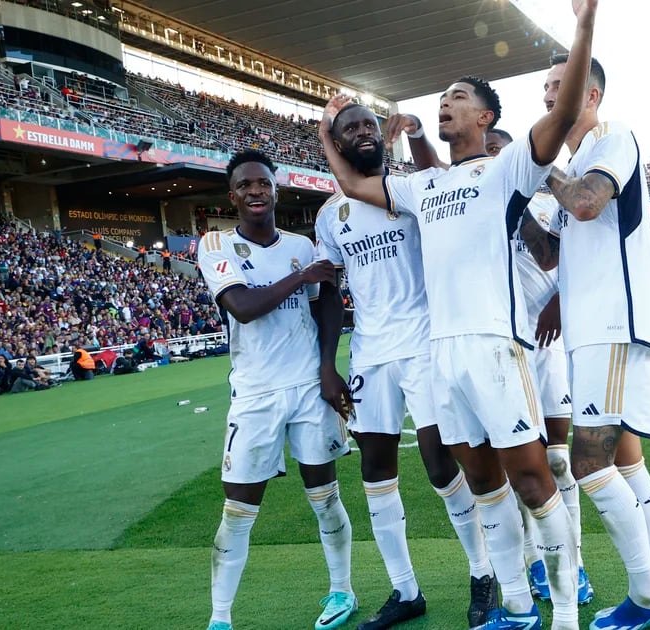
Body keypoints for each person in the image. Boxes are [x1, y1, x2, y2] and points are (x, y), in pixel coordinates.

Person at [318, 4, 597, 626]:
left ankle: (563, 613)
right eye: (442, 97)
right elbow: (355, 188)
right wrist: (323, 134)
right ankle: (517, 608)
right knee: (485, 488)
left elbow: (564, 111)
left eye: (458, 96)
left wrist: (583, 26)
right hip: (440, 354)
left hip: (495, 344)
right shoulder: (423, 187)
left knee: (531, 478)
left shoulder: (507, 168)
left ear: (486, 116)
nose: (445, 103)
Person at [314, 104, 497, 630]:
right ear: (339, 143)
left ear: (381, 135)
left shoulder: (415, 191)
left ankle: (482, 572)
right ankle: (405, 589)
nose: (362, 133)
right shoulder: (331, 216)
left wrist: (416, 133)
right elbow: (330, 291)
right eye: (350, 129)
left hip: (424, 344)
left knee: (443, 467)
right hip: (371, 352)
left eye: (369, 125)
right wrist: (329, 366)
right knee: (376, 469)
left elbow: (440, 177)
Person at [527, 53, 650, 628]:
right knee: (625, 464)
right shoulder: (580, 157)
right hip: (597, 332)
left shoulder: (614, 138)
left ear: (589, 96)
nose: (547, 98)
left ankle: (647, 597)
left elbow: (587, 204)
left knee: (589, 464)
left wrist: (540, 169)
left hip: (613, 327)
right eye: (543, 89)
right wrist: (517, 204)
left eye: (557, 88)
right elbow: (553, 254)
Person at [197, 150, 354, 630]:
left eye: (263, 183)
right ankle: (220, 618)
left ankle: (341, 591)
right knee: (239, 507)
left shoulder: (303, 246)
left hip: (308, 385)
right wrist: (301, 277)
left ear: (276, 190)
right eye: (245, 185)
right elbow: (242, 306)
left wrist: (328, 368)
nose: (256, 191)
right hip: (256, 392)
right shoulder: (215, 244)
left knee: (324, 495)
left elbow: (328, 308)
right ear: (233, 195)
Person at [485, 128, 593, 608]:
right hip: (502, 348)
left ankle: (575, 562)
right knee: (516, 468)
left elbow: (574, 261)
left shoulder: (550, 200)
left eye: (499, 151)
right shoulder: (475, 207)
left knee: (556, 459)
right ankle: (535, 560)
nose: (491, 159)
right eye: (485, 152)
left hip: (548, 345)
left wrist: (560, 303)